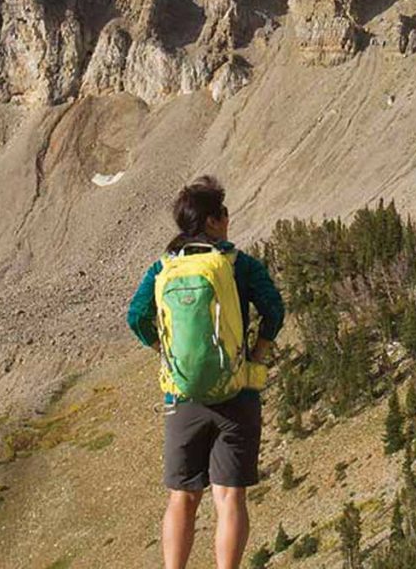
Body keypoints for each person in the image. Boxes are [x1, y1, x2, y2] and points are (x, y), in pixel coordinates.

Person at [128, 176, 285, 569]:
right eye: (224, 213)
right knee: (229, 496)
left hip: (182, 397)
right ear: (213, 221)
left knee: (183, 496)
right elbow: (275, 309)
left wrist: (166, 352)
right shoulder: (238, 264)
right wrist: (257, 353)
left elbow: (136, 317)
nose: (228, 219)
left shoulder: (164, 268)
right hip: (237, 392)